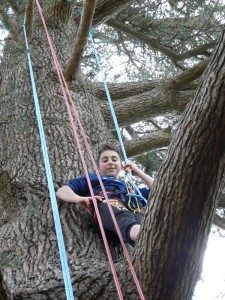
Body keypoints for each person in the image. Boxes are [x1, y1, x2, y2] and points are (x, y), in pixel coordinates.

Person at [56, 145, 154, 245]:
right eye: (105, 160)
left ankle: (147, 236)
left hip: (128, 223)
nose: (110, 162)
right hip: (106, 212)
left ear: (121, 166)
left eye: (114, 159)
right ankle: (143, 234)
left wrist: (138, 172)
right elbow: (62, 191)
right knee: (123, 214)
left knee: (143, 221)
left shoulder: (129, 187)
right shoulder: (92, 178)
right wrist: (78, 199)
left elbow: (158, 189)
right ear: (98, 168)